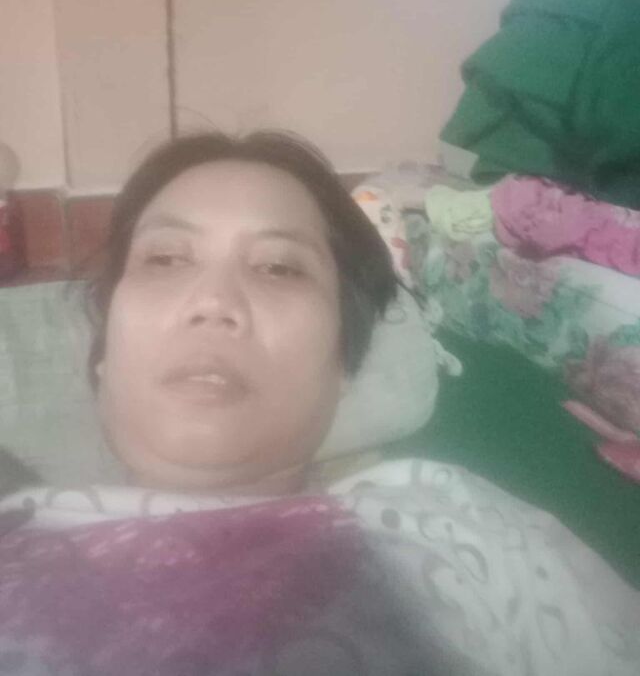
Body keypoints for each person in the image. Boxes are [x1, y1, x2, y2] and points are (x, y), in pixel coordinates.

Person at [0, 131, 638, 676]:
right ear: (103, 357)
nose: (213, 302)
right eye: (165, 258)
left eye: (279, 268)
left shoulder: (462, 525)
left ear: (342, 367)